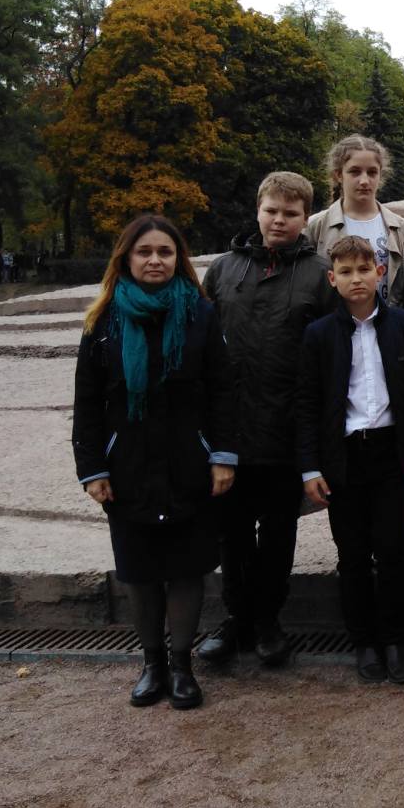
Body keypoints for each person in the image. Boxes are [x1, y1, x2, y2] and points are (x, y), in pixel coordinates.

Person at [71, 215, 237, 710]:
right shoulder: (103, 321)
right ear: (126, 259)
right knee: (140, 571)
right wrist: (93, 469)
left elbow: (223, 391)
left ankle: (182, 666)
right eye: (144, 252)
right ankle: (152, 665)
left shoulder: (200, 314)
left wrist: (223, 456)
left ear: (178, 259)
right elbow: (87, 401)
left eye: (165, 252)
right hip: (128, 465)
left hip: (190, 462)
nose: (155, 260)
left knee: (186, 569)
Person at [196, 171, 334, 669]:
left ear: (305, 218)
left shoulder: (320, 273)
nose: (279, 220)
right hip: (229, 429)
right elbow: (201, 342)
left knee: (278, 533)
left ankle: (269, 620)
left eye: (290, 213)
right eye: (272, 211)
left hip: (285, 426)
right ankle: (237, 618)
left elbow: (330, 352)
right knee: (231, 534)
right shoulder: (224, 269)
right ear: (258, 210)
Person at [296, 236, 404, 686]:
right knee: (352, 553)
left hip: (389, 449)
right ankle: (363, 640)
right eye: (346, 272)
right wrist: (310, 467)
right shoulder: (319, 334)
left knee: (392, 548)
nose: (356, 279)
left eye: (364, 269)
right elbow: (307, 404)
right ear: (332, 279)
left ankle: (396, 639)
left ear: (380, 272)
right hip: (343, 456)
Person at [305, 135, 404, 307]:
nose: (364, 181)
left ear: (380, 174)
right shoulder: (316, 226)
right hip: (333, 319)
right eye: (355, 172)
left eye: (372, 172)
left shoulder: (401, 228)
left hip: (387, 319)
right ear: (339, 175)